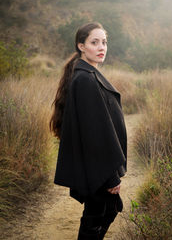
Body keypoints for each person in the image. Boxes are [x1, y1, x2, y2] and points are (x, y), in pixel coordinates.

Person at [49, 22, 127, 240]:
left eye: (104, 42)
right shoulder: (85, 79)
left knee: (105, 211)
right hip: (97, 166)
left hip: (96, 164)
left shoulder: (88, 74)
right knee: (97, 215)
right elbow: (95, 134)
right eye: (95, 42)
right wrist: (111, 177)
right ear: (81, 46)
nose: (102, 47)